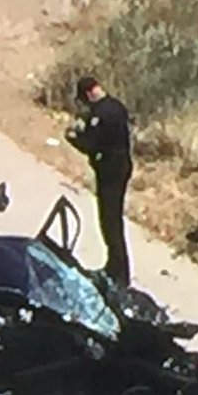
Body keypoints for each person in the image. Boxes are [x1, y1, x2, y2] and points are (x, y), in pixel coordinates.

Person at [65, 76, 133, 286]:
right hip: (120, 167)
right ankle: (115, 267)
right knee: (113, 220)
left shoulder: (101, 115)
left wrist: (73, 138)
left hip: (111, 172)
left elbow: (91, 144)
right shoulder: (116, 106)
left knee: (110, 221)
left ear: (87, 94)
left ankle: (119, 273)